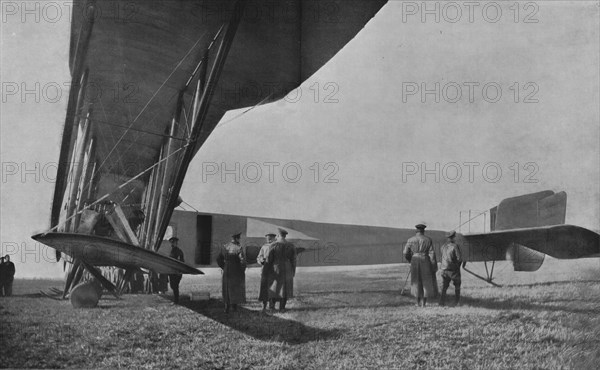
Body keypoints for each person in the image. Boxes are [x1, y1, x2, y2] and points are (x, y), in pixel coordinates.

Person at [403, 224, 438, 307]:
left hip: (414, 260)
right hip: (425, 260)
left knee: (416, 281)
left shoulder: (410, 239)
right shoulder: (428, 240)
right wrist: (433, 265)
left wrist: (410, 260)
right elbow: (432, 253)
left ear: (416, 231)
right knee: (426, 281)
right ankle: (424, 304)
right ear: (423, 231)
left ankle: (417, 303)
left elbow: (405, 252)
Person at [266, 228, 297, 312]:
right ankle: (282, 307)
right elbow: (294, 260)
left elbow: (269, 259)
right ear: (285, 236)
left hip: (275, 267)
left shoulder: (273, 245)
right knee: (285, 288)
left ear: (278, 235)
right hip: (288, 268)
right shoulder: (291, 245)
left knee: (274, 286)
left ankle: (272, 307)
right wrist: (293, 271)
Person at [216, 233, 247, 313]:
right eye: (239, 238)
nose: (239, 240)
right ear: (237, 239)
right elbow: (242, 261)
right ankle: (234, 307)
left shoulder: (225, 246)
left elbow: (219, 259)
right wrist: (242, 270)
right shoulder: (239, 247)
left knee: (226, 288)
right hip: (236, 270)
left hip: (227, 269)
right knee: (235, 288)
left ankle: (226, 307)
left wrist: (224, 267)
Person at [439, 230, 463, 306]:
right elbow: (459, 259)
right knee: (457, 285)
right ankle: (457, 302)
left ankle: (441, 303)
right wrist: (457, 267)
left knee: (444, 287)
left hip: (444, 269)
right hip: (453, 270)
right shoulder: (455, 246)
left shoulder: (443, 246)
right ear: (453, 238)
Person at [257, 233, 276, 311]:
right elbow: (259, 257)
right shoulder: (264, 247)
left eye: (271, 238)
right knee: (264, 288)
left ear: (274, 238)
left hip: (274, 270)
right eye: (268, 238)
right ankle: (264, 305)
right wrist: (261, 260)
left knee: (273, 288)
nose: (269, 239)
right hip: (265, 269)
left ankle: (272, 305)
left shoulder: (276, 247)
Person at [168, 237, 185, 304]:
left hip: (177, 272)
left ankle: (176, 301)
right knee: (172, 285)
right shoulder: (172, 251)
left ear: (176, 243)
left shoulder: (179, 251)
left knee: (175, 286)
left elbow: (181, 262)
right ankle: (176, 300)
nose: (172, 244)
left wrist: (179, 272)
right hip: (172, 272)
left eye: (173, 243)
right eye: (171, 243)